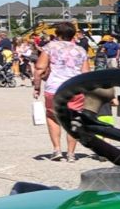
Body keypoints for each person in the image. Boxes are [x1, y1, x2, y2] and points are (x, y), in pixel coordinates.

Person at [33, 21, 89, 161]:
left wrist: (37, 87)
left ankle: (57, 149)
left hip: (54, 87)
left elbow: (39, 69)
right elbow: (86, 73)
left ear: (57, 34)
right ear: (73, 34)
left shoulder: (50, 47)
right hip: (75, 89)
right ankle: (71, 153)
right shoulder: (81, 51)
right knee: (74, 119)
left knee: (52, 117)